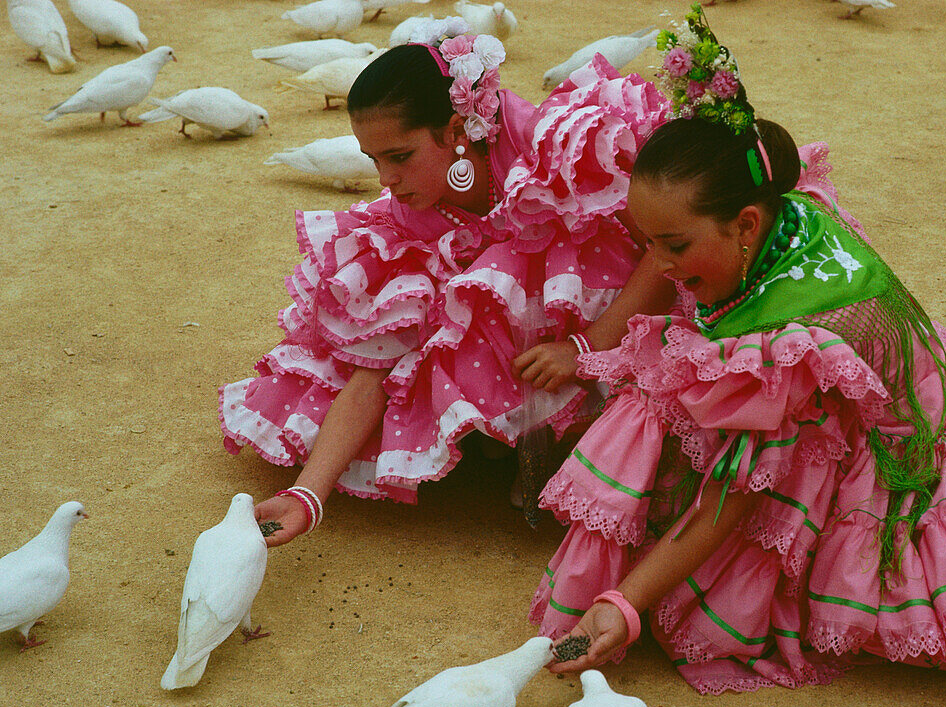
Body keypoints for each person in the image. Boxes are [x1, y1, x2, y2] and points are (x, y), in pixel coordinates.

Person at [532, 6, 946, 694]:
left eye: (673, 245)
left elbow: (733, 496)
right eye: (645, 239)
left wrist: (626, 601)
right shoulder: (788, 211)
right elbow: (688, 260)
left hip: (900, 476)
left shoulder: (787, 341)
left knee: (942, 613)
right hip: (904, 412)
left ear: (743, 223)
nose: (658, 263)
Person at [219, 19, 678, 546]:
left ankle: (562, 437)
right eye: (374, 160)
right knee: (429, 329)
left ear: (458, 132)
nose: (386, 180)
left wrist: (584, 348)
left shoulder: (549, 148)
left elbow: (664, 249)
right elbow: (380, 361)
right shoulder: (411, 216)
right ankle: (518, 441)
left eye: (400, 157)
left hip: (634, 308)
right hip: (535, 348)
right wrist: (308, 495)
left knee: (534, 273)